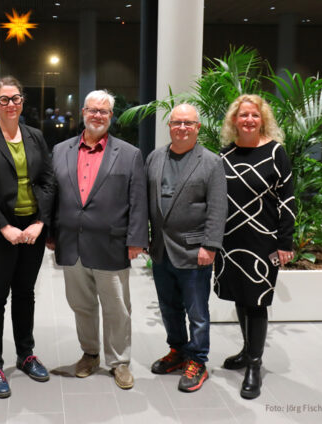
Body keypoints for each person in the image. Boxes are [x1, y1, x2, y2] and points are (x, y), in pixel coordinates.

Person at [50, 89, 148, 390]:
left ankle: (119, 362)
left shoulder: (129, 154)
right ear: (83, 112)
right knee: (81, 305)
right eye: (92, 110)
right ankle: (90, 354)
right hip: (71, 243)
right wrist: (51, 234)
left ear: (111, 116)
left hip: (111, 245)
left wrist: (136, 240)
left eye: (103, 111)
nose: (97, 115)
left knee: (117, 307)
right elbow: (52, 196)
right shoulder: (60, 150)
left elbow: (138, 200)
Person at [0, 76, 55, 398]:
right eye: (3, 99)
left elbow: (48, 180)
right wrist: (4, 227)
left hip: (32, 229)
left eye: (15, 98)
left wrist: (40, 222)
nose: (10, 104)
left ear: (22, 101)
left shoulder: (35, 136)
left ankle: (26, 354)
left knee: (25, 294)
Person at [214, 94, 295, 399]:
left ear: (263, 120)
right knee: (239, 295)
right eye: (243, 115)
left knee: (257, 300)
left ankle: (254, 366)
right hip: (230, 240)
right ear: (234, 120)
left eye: (254, 115)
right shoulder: (224, 155)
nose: (249, 120)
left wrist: (285, 242)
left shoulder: (275, 153)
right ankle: (247, 351)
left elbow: (287, 200)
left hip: (263, 240)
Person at [145, 104, 227, 392]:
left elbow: (218, 208)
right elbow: (145, 201)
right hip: (161, 249)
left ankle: (198, 360)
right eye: (177, 122)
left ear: (197, 127)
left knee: (197, 312)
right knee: (169, 308)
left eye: (188, 123)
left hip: (195, 251)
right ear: (169, 126)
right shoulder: (155, 157)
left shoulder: (211, 162)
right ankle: (178, 351)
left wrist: (210, 245)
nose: (182, 128)